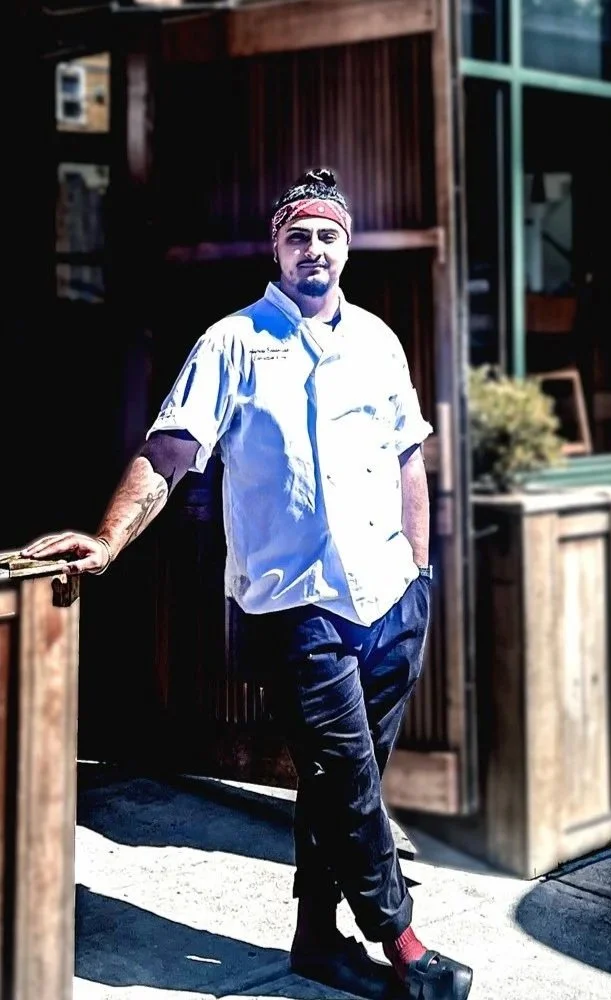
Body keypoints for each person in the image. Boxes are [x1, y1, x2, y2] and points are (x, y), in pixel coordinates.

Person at [21, 168, 473, 1000]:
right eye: (298, 236)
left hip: (390, 599)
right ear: (277, 248)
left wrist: (420, 568)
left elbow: (410, 453)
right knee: (345, 779)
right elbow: (170, 451)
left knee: (340, 786)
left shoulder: (378, 339)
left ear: (345, 248)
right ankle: (405, 947)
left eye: (327, 235)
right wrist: (110, 538)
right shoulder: (233, 341)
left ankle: (315, 940)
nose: (313, 249)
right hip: (296, 608)